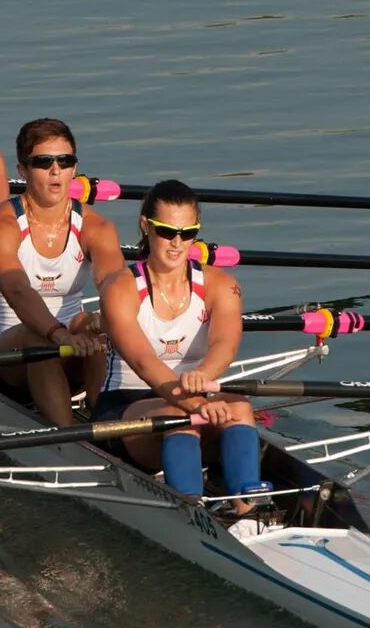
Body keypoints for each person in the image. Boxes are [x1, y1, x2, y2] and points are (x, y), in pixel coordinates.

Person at [89, 180, 264, 501]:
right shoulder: (120, 289)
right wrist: (195, 404)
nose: (177, 243)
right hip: (126, 408)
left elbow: (225, 343)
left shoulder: (221, 285)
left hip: (198, 398)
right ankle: (190, 508)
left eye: (188, 233)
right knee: (180, 416)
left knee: (239, 405)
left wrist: (205, 376)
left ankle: (248, 508)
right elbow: (144, 362)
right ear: (145, 225)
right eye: (167, 232)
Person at [0, 117, 110, 424]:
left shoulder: (96, 227)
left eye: (64, 161)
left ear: (74, 168)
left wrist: (109, 316)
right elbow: (18, 290)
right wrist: (57, 333)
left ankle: (106, 426)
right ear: (22, 170)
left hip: (69, 343)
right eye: (43, 162)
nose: (55, 170)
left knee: (98, 329)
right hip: (4, 356)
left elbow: (114, 280)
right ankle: (68, 438)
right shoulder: (0, 225)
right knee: (39, 339)